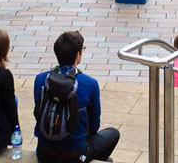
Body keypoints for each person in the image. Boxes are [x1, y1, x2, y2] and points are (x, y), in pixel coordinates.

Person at [33, 31, 120, 163]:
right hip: (74, 155)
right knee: (113, 134)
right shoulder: (89, 83)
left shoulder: (40, 80)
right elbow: (94, 126)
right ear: (78, 55)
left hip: (44, 152)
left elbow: (38, 113)